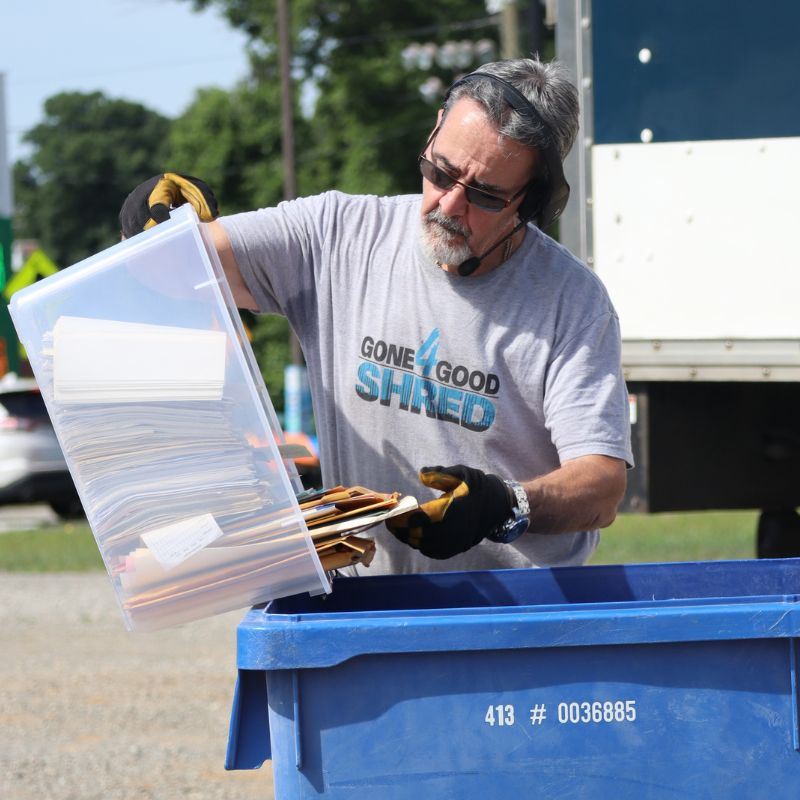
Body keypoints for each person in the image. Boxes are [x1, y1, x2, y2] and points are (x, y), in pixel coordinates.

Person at [119, 57, 633, 575]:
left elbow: (601, 486)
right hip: (364, 611)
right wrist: (148, 226)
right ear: (435, 130)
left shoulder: (572, 302)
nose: (450, 205)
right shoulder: (335, 235)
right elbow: (170, 267)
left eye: (484, 195)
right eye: (441, 171)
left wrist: (507, 506)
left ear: (532, 201)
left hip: (512, 621)